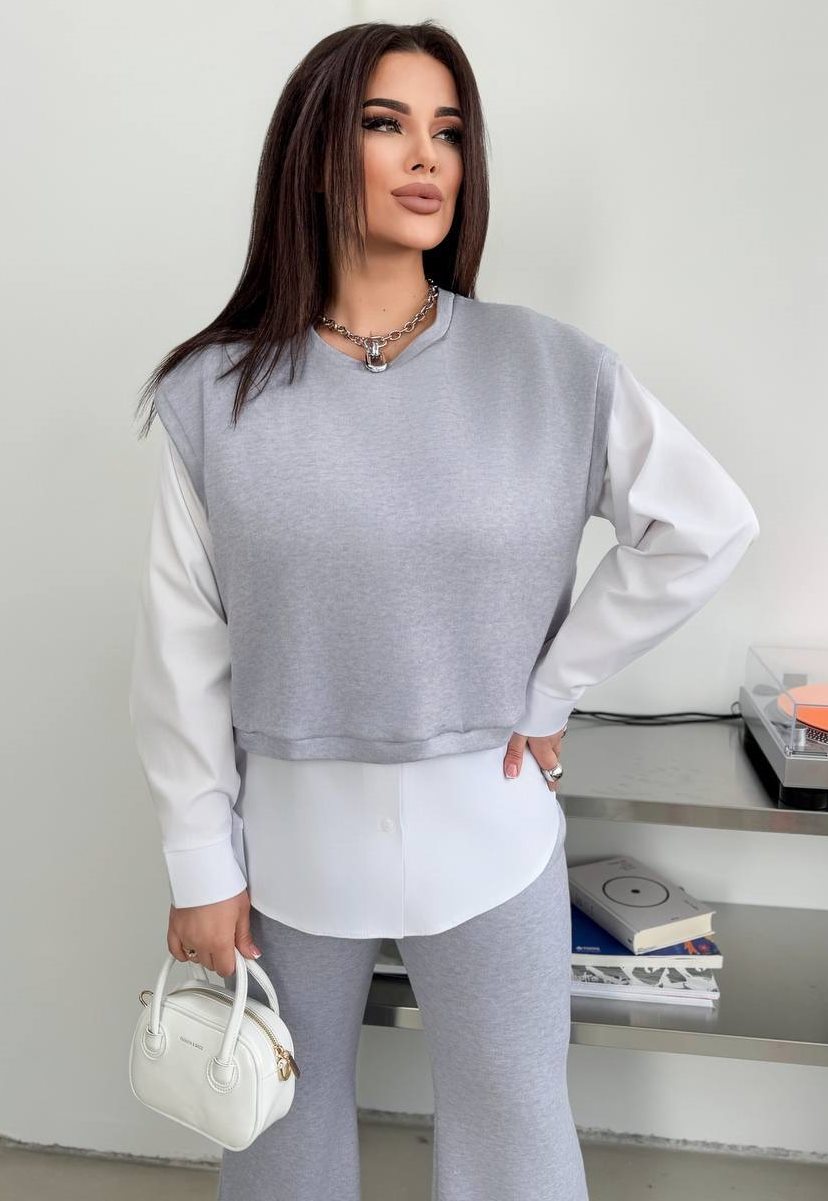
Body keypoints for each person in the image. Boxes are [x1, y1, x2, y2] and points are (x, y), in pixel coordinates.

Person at [128, 20, 760, 1201]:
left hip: (491, 831)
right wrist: (198, 860)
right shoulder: (215, 393)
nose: (428, 156)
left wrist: (554, 685)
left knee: (516, 1138)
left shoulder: (552, 369)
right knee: (275, 1140)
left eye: (450, 131)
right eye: (387, 124)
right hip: (290, 847)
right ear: (319, 152)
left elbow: (707, 525)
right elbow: (181, 648)